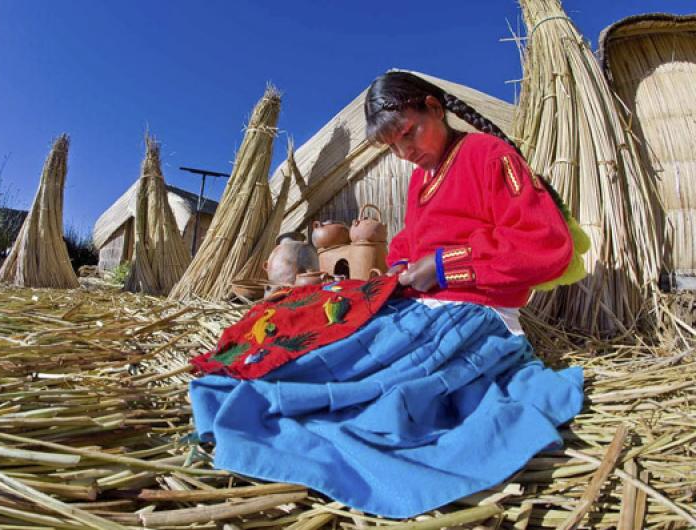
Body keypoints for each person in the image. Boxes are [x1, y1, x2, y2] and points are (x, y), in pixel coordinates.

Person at [189, 71, 584, 518]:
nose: (404, 152)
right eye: (392, 146)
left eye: (408, 134)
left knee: (364, 387)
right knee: (317, 324)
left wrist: (441, 266)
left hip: (471, 313)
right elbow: (409, 244)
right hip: (419, 305)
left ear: (434, 107)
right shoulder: (420, 181)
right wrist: (400, 267)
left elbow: (544, 244)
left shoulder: (489, 156)